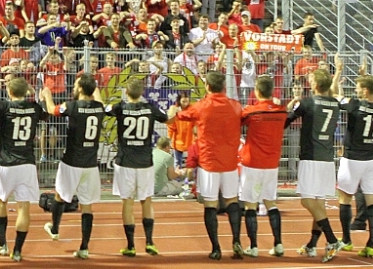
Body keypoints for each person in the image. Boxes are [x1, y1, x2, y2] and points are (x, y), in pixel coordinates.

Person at [168, 70, 243, 259]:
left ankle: (216, 248)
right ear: (224, 86)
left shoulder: (201, 106)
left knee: (210, 204)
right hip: (230, 161)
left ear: (207, 86)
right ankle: (236, 240)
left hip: (209, 162)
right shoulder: (235, 105)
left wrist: (171, 113)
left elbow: (180, 116)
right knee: (232, 201)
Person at [38, 75, 106, 259]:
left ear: (81, 89)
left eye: (76, 85)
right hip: (90, 164)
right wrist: (93, 86)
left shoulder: (72, 106)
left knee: (60, 195)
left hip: (72, 161)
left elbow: (52, 110)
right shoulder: (99, 107)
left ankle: (55, 228)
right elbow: (98, 99)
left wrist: (47, 94)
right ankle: (84, 247)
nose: (73, 88)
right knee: (87, 206)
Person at [0, 76, 46, 262]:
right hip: (27, 162)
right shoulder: (34, 107)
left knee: (0, 201)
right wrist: (34, 94)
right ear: (26, 91)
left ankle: (2, 244)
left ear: (9, 92)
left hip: (6, 162)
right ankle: (17, 250)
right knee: (23, 208)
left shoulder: (4, 106)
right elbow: (45, 112)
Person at [286, 66, 343, 263]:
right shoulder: (335, 103)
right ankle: (312, 244)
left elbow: (287, 120)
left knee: (307, 200)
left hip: (311, 156)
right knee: (318, 202)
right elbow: (333, 95)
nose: (308, 83)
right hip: (326, 157)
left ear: (316, 84)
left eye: (311, 80)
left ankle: (332, 239)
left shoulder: (307, 103)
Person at [107, 77, 167, 257]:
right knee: (146, 200)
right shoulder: (150, 108)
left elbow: (105, 110)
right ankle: (149, 242)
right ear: (142, 92)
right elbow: (166, 118)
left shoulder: (120, 107)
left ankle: (131, 245)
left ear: (126, 92)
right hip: (145, 161)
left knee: (127, 202)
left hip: (125, 161)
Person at [334, 73, 373, 257]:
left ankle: (347, 240)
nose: (355, 90)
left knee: (344, 198)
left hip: (353, 159)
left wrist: (337, 73)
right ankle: (371, 244)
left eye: (358, 87)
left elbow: (335, 95)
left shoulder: (355, 105)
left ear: (365, 90)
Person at [238, 76, 288, 257]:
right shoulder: (281, 111)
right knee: (270, 203)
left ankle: (253, 246)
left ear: (256, 91)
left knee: (250, 205)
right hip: (271, 163)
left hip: (253, 162)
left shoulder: (253, 111)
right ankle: (278, 243)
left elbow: (239, 120)